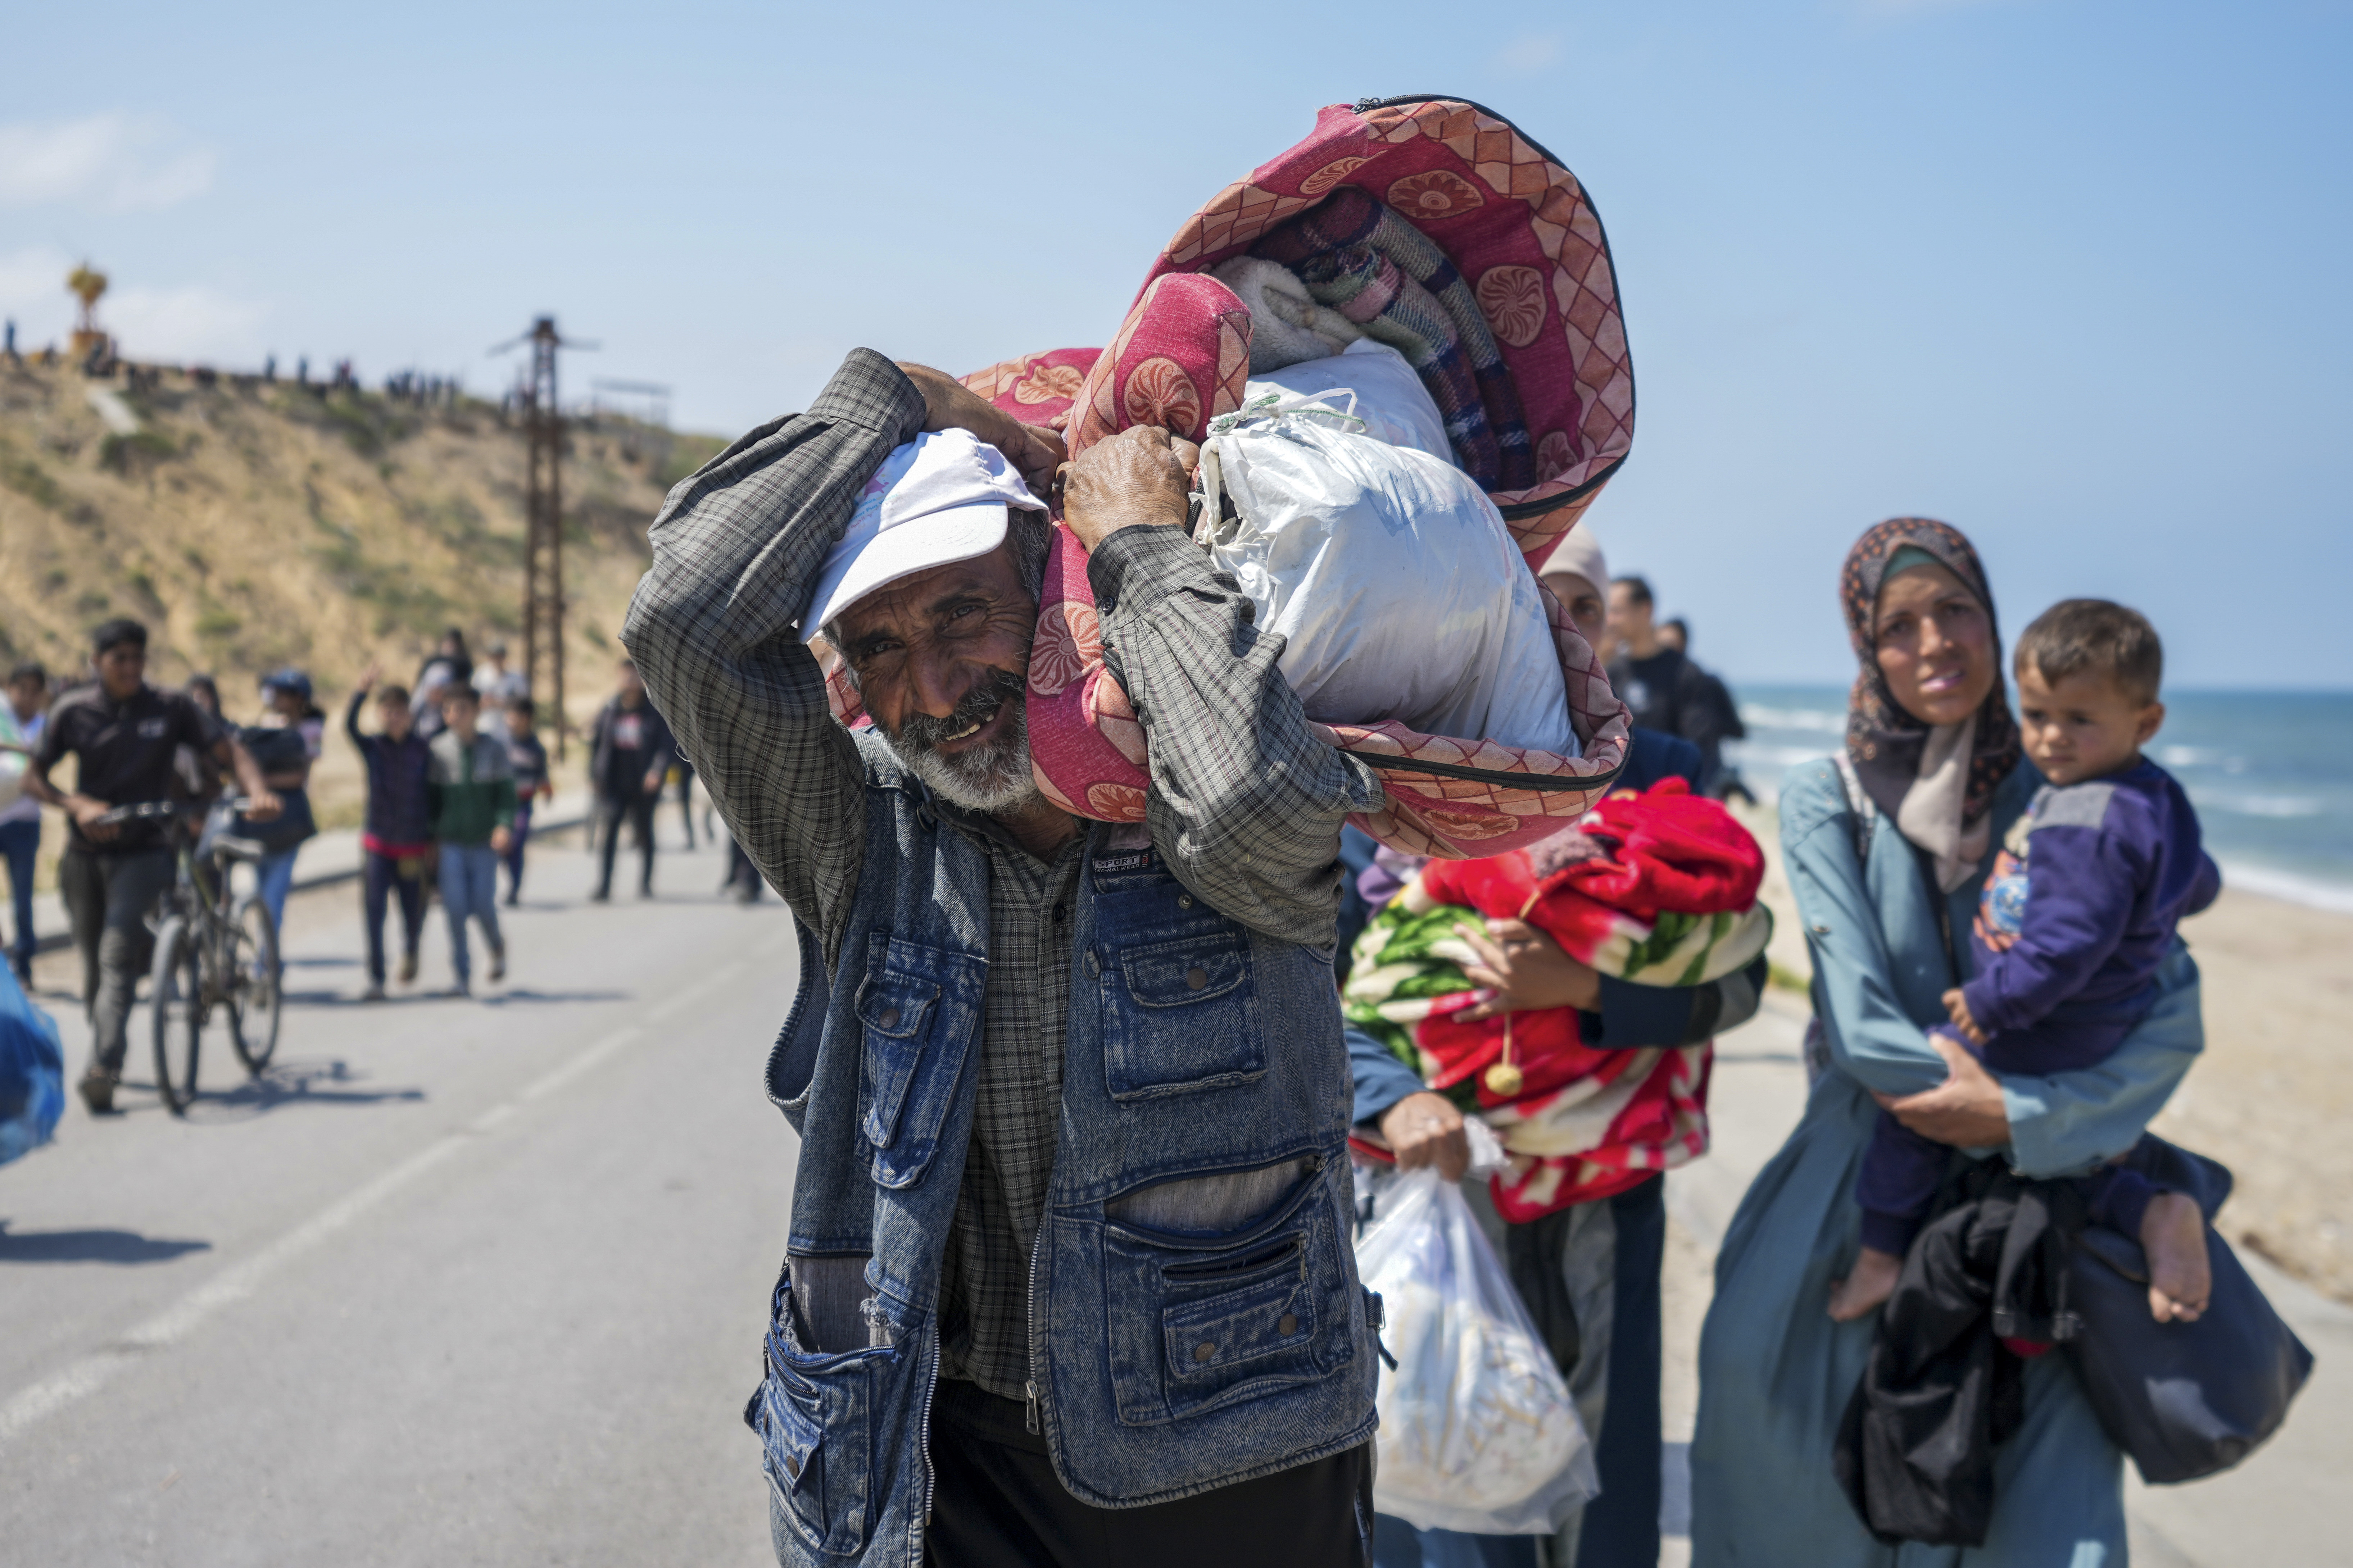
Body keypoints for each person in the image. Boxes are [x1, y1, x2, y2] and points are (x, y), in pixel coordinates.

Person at [624, 352, 1386, 1568]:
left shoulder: (1200, 798)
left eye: (961, 614)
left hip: (1235, 1453)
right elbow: (682, 617)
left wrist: (1134, 542)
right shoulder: (860, 833)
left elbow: (1249, 800)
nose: (931, 685)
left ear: (1053, 591)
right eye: (878, 645)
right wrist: (907, 396)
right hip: (940, 1461)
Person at [1688, 519, 2211, 1566]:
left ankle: (2152, 1205)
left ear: (1992, 620)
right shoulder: (1824, 796)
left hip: (2041, 1198)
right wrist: (1977, 1108)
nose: (1932, 641)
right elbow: (1860, 1021)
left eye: (1956, 609)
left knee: (2047, 1522)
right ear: (1863, 649)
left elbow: (2169, 1015)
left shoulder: (2077, 785)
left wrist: (2022, 1120)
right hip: (1858, 1188)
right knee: (1786, 1466)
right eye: (1897, 624)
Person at [1350, 528, 1764, 1567]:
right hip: (1436, 1186)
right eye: (1531, 600)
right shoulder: (1391, 772)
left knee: (1598, 1482)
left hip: (1603, 1202)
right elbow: (1319, 973)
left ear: (1613, 628)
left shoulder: (1666, 775)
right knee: (1438, 1476)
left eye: (1583, 606)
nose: (1558, 629)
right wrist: (1393, 1096)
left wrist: (1583, 989)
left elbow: (1738, 980)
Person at [1831, 598, 2218, 1321]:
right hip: (2104, 1014)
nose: (2050, 739)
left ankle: (1881, 1255)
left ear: (2146, 722)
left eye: (2079, 719)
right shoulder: (2157, 795)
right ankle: (2152, 1210)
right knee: (2069, 1161)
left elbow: (2063, 944)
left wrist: (1992, 1002)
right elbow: (2200, 879)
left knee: (1919, 1102)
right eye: (2037, 713)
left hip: (2046, 1014)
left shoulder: (2082, 812)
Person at [25, 621, 277, 1112]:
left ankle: (104, 1065)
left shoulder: (171, 706)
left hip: (147, 850)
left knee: (118, 954)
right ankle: (107, 1042)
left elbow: (230, 750)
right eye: (119, 657)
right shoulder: (72, 711)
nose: (130, 667)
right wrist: (75, 804)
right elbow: (35, 775)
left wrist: (257, 789)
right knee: (94, 970)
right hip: (84, 857)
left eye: (137, 657)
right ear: (96, 661)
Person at [1605, 577, 1742, 798]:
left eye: (1617, 611)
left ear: (1645, 610)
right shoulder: (1611, 673)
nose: (1610, 621)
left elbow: (1699, 752)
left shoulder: (1687, 674)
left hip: (1672, 800)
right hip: (1619, 801)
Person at [346, 663, 434, 999]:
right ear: (380, 714)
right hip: (378, 845)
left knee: (413, 911)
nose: (393, 717)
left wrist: (433, 841)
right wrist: (360, 692)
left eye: (399, 711)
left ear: (409, 715)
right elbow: (348, 727)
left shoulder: (424, 750)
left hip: (413, 847)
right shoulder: (373, 748)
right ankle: (376, 978)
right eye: (387, 711)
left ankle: (411, 949)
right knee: (373, 912)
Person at [425, 685, 513, 996]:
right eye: (449, 710)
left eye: (462, 709)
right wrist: (431, 839)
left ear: (477, 712)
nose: (455, 716)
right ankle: (462, 976)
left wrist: (504, 825)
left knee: (483, 904)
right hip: (451, 842)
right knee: (455, 909)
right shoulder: (437, 750)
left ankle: (497, 946)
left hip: (483, 843)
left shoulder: (495, 749)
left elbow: (506, 794)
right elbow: (431, 800)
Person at [586, 659, 673, 902]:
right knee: (610, 832)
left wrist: (657, 771)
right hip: (615, 783)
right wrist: (594, 775)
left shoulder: (653, 710)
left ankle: (645, 883)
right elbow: (596, 747)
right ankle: (604, 885)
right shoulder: (611, 709)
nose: (629, 681)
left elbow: (666, 746)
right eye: (625, 676)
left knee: (645, 832)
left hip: (644, 784)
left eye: (634, 676)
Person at [246, 669, 325, 935]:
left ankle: (266, 965)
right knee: (261, 889)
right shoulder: (268, 723)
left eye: (282, 693)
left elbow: (300, 775)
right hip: (261, 819)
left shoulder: (311, 729)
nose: (276, 698)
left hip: (289, 815)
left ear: (297, 698)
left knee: (272, 896)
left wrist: (258, 782)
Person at [0, 662, 51, 986]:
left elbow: (47, 759)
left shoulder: (46, 726)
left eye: (35, 691)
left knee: (23, 899)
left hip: (25, 823)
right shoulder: (2, 717)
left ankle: (25, 963)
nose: (28, 698)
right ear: (10, 689)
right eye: (23, 690)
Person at [500, 695, 552, 905]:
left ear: (527, 719)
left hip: (523, 805)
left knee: (517, 842)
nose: (512, 720)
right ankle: (510, 879)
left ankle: (515, 886)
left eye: (517, 716)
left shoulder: (536, 748)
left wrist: (548, 791)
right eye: (509, 715)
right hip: (502, 805)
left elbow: (543, 776)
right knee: (503, 846)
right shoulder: (500, 745)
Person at [411, 628, 472, 741]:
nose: (435, 694)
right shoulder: (412, 720)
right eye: (433, 690)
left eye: (439, 691)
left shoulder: (451, 724)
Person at [472, 638, 529, 739]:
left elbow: (524, 703)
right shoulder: (481, 675)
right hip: (484, 724)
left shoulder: (516, 677)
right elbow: (472, 697)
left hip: (508, 729)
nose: (497, 660)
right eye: (494, 656)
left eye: (500, 656)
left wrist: (500, 703)